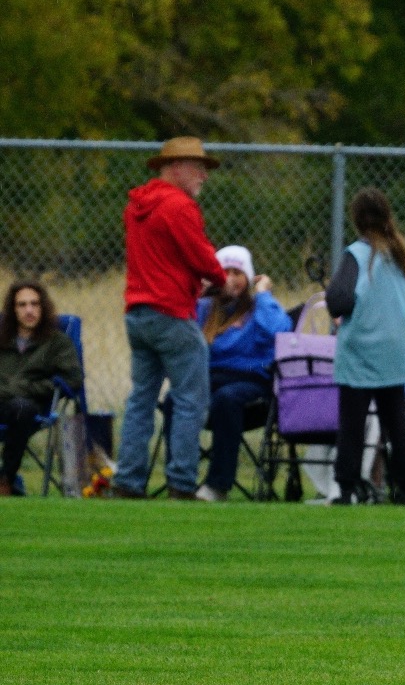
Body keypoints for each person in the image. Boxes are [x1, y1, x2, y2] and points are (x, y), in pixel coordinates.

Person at [110, 137, 227, 499]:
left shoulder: (136, 207)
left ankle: (128, 481)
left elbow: (164, 259)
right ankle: (180, 482)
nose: (204, 176)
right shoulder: (179, 206)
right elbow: (202, 257)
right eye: (198, 168)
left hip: (138, 313)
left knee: (141, 399)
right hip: (172, 314)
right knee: (191, 399)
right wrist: (220, 282)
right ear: (175, 168)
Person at [327, 189, 405, 506]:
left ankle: (346, 487)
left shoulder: (355, 255)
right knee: (395, 421)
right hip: (396, 353)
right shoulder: (400, 256)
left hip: (360, 351)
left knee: (353, 423)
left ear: (356, 219)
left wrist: (348, 311)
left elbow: (338, 300)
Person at [180, 245, 291, 501]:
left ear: (248, 277)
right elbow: (182, 335)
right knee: (176, 399)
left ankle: (218, 485)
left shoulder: (259, 309)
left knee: (226, 398)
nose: (230, 279)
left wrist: (263, 295)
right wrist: (200, 291)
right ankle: (180, 481)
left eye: (237, 273)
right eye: (224, 272)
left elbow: (281, 332)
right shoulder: (205, 308)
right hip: (208, 380)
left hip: (250, 384)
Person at [0, 281, 84, 495]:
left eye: (35, 304)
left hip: (31, 406)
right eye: (22, 305)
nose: (29, 310)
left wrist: (29, 388)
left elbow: (74, 379)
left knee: (21, 408)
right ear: (12, 309)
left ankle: (6, 480)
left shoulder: (57, 342)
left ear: (43, 307)